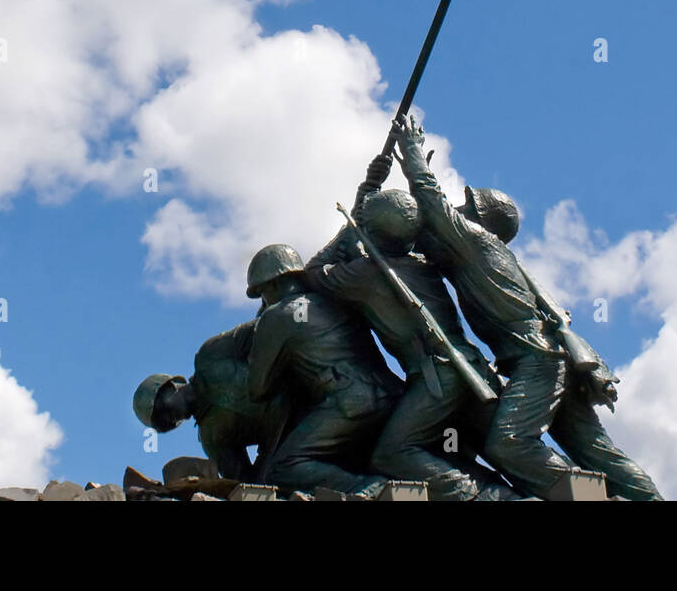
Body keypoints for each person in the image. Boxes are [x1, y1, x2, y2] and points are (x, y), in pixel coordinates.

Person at [394, 114, 663, 501]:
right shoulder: (488, 255)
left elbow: (434, 206)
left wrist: (413, 154)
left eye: (467, 207)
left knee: (509, 444)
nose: (460, 209)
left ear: (481, 220)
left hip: (537, 360)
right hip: (546, 358)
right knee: (597, 451)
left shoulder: (478, 245)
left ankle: (588, 496)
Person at [304, 157, 519, 500]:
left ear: (371, 230)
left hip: (437, 379)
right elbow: (378, 241)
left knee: (392, 454)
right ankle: (506, 492)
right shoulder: (422, 265)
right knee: (467, 450)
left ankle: (497, 498)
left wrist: (355, 217)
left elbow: (315, 271)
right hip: (471, 369)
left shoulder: (364, 276)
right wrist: (368, 193)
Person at [245, 242, 402, 496]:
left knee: (283, 468)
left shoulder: (277, 316)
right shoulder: (334, 301)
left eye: (262, 293)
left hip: (351, 403)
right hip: (392, 394)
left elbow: (258, 389)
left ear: (271, 285)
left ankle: (370, 489)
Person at [131, 319, 291, 481]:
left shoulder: (210, 356)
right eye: (162, 425)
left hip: (304, 381)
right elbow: (245, 481)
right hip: (293, 438)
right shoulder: (212, 438)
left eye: (160, 411)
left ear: (169, 386)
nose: (168, 421)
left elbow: (267, 324)